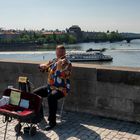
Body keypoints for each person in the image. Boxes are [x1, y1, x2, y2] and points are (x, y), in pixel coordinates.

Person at [33, 45, 72, 131]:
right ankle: (40, 115)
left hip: (62, 88)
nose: (59, 54)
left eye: (61, 52)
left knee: (51, 97)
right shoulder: (54, 61)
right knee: (35, 93)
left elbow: (62, 75)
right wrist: (42, 67)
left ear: (64, 52)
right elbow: (45, 70)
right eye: (57, 52)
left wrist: (59, 66)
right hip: (50, 87)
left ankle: (52, 122)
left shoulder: (67, 63)